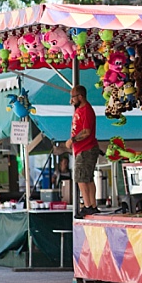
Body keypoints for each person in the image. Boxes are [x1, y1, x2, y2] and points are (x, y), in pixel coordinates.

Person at [65, 85, 99, 218]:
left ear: (80, 96)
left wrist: (72, 140)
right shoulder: (79, 110)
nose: (71, 100)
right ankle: (92, 205)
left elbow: (86, 131)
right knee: (87, 177)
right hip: (82, 149)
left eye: (73, 97)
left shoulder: (86, 110)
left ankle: (88, 205)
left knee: (81, 178)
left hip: (86, 148)